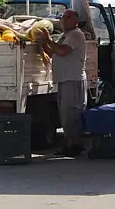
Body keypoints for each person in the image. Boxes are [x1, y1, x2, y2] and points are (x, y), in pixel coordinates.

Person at [39, 9, 87, 157]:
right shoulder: (66, 35)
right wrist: (43, 44)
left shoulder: (75, 34)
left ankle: (75, 144)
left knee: (71, 113)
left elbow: (62, 51)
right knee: (65, 114)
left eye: (68, 17)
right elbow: (54, 51)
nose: (64, 20)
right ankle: (71, 144)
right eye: (63, 17)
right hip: (65, 79)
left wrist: (48, 39)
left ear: (75, 20)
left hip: (72, 79)